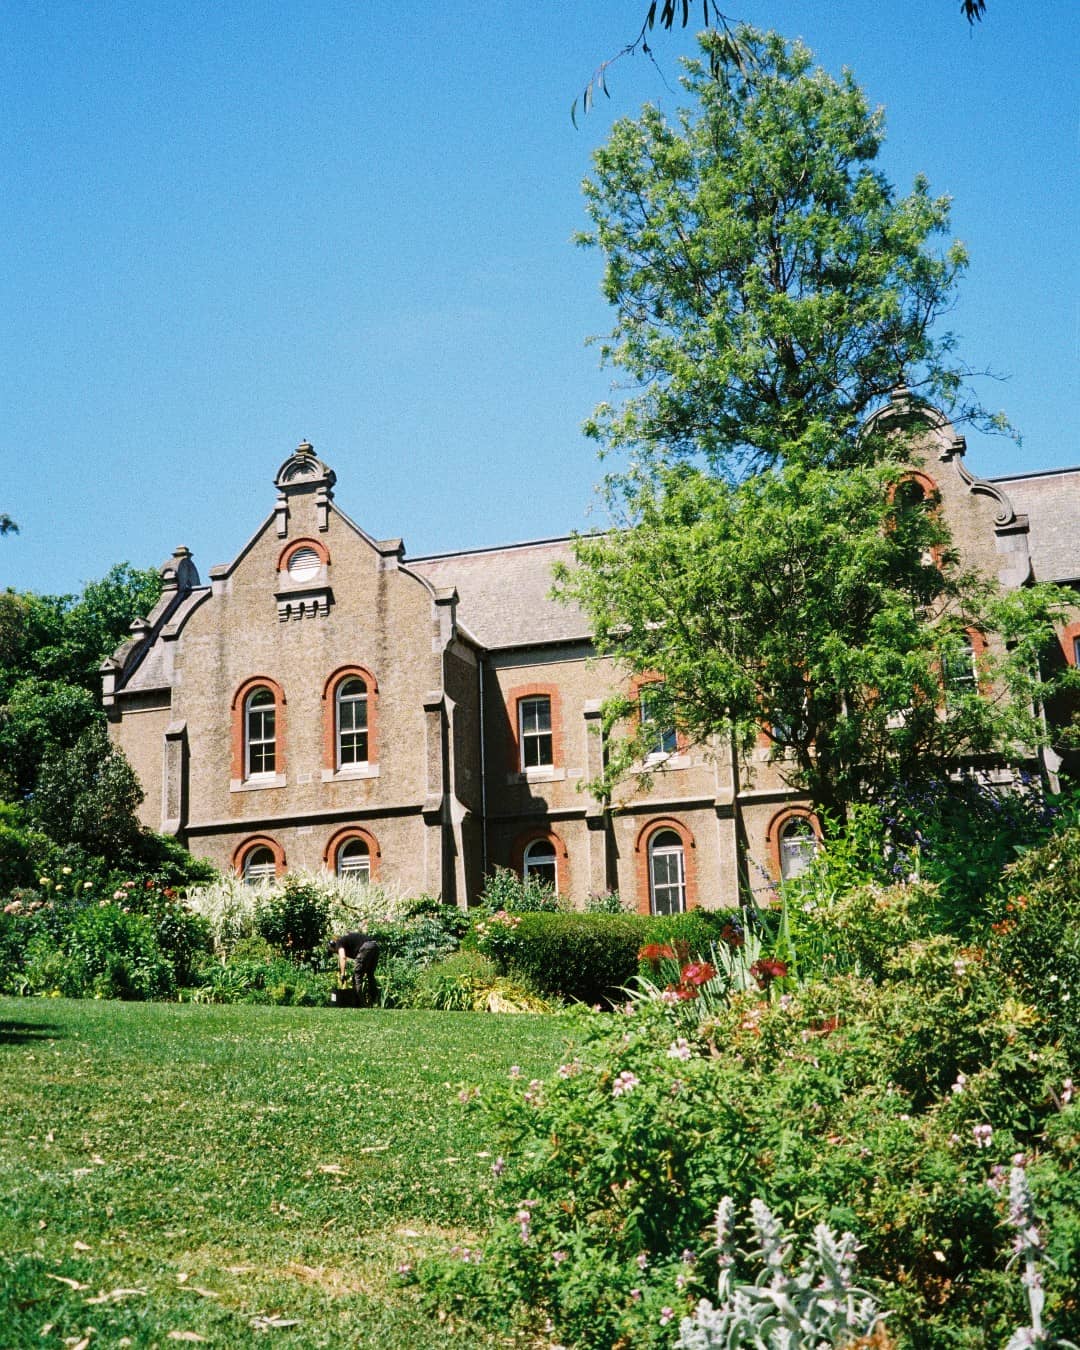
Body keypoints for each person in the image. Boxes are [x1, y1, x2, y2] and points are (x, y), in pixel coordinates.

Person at [327, 931, 380, 1007]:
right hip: (375, 946)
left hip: (366, 947)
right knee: (370, 974)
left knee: (357, 976)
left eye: (333, 951)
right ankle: (375, 1001)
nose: (335, 953)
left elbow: (342, 957)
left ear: (333, 946)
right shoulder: (345, 942)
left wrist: (342, 974)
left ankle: (360, 1004)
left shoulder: (339, 943)